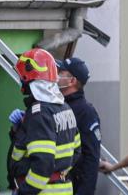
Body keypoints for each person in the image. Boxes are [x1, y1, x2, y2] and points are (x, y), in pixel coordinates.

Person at [7, 48, 80, 194]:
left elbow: (43, 164)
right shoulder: (64, 108)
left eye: (21, 76)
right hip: (61, 188)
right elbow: (76, 151)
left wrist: (25, 192)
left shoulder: (39, 114)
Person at [55, 57, 102, 194]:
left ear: (72, 81)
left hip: (75, 187)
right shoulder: (57, 105)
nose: (56, 75)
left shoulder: (86, 112)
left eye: (61, 72)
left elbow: (91, 157)